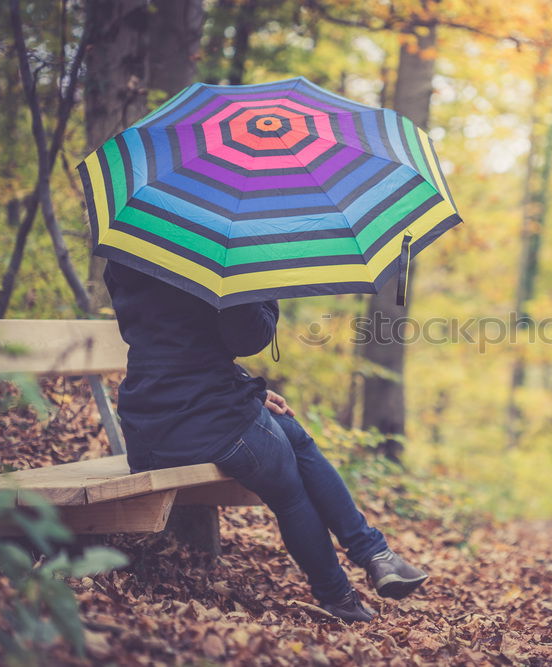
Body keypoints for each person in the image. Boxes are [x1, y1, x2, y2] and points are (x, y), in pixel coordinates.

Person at [103, 260, 427, 623]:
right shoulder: (222, 261)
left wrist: (250, 393)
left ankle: (375, 554)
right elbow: (248, 337)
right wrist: (264, 285)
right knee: (289, 490)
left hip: (150, 422)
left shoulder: (130, 257)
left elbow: (174, 339)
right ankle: (339, 595)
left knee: (293, 433)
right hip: (207, 421)